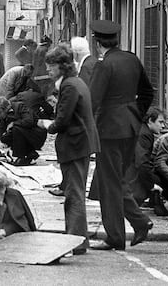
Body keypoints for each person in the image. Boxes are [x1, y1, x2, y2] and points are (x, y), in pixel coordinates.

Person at [88, 20, 154, 251]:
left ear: (97, 42)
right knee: (118, 180)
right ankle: (136, 223)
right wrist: (136, 113)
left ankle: (119, 234)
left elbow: (93, 101)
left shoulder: (103, 65)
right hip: (130, 127)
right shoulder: (131, 59)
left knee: (110, 184)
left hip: (109, 130)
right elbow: (147, 91)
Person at [39, 43, 100, 255]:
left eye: (51, 66)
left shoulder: (70, 86)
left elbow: (62, 120)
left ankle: (76, 240)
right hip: (79, 144)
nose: (48, 70)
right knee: (74, 193)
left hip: (75, 144)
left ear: (63, 66)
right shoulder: (75, 82)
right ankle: (77, 239)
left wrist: (46, 125)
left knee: (74, 195)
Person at [0, 80, 53, 166]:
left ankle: (20, 156)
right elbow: (0, 126)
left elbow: (29, 121)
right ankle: (30, 153)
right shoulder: (37, 96)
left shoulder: (19, 104)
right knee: (8, 135)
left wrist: (13, 124)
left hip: (35, 132)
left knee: (16, 129)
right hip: (27, 130)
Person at [130, 107, 167, 206]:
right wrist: (151, 185)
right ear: (150, 120)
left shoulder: (143, 130)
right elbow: (141, 162)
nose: (163, 126)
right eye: (160, 122)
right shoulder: (144, 134)